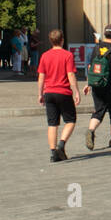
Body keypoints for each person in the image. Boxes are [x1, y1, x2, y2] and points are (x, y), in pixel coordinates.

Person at [37, 28, 80, 160]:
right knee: (71, 120)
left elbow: (41, 77)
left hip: (49, 92)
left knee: (52, 124)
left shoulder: (45, 55)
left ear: (51, 41)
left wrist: (40, 93)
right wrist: (76, 91)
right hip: (63, 92)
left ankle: (53, 152)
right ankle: (61, 145)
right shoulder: (67, 55)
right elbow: (71, 74)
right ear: (62, 40)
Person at [83, 25, 111, 149]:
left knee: (98, 111)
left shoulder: (96, 48)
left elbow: (91, 67)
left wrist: (88, 84)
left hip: (97, 85)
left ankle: (91, 130)